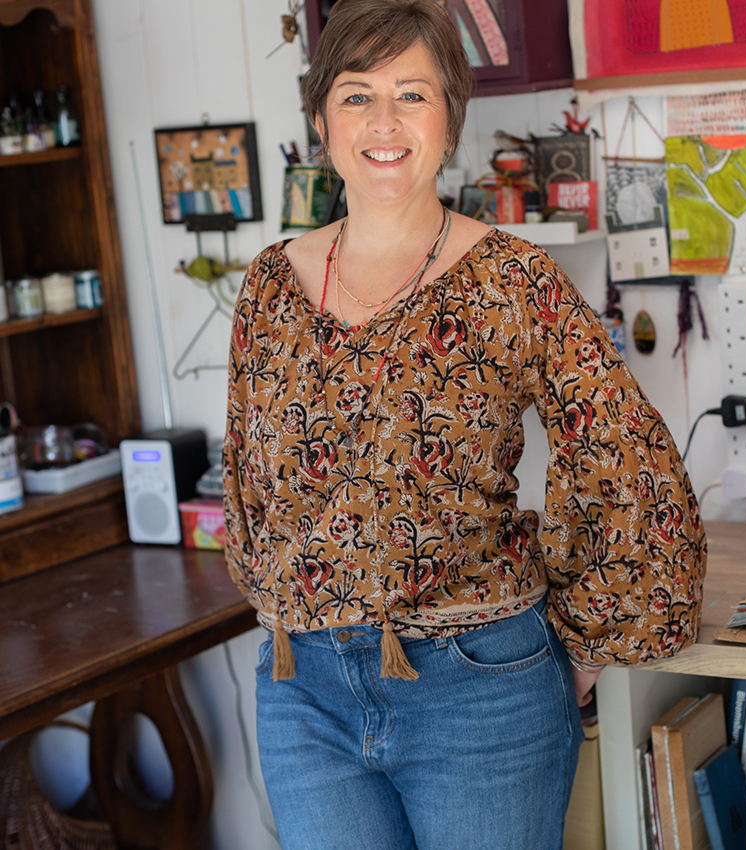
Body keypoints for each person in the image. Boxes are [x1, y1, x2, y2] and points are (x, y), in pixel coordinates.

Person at [223, 1, 706, 847]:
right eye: (356, 94)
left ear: (449, 120)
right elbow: (247, 477)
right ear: (321, 120)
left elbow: (622, 453)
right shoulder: (271, 283)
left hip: (479, 689)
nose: (383, 122)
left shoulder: (512, 278)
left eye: (412, 95)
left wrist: (590, 644)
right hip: (303, 692)